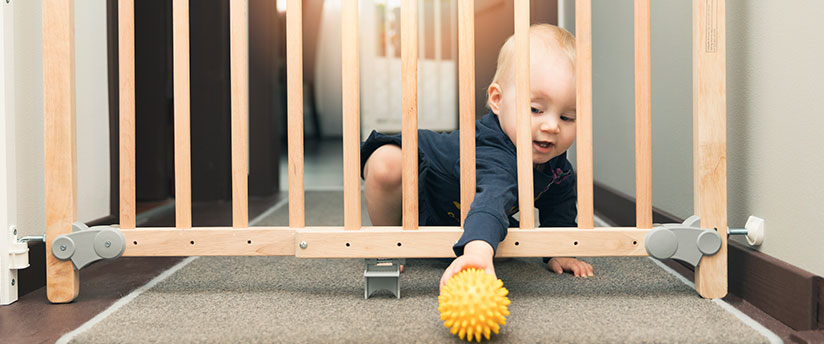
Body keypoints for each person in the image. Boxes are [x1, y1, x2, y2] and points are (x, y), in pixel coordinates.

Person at [360, 24, 594, 290]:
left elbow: (559, 202)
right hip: (421, 180)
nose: (552, 126)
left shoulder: (556, 168)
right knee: (386, 164)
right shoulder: (494, 153)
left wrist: (559, 248)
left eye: (567, 117)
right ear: (497, 99)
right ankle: (388, 241)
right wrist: (478, 253)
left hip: (452, 208)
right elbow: (492, 198)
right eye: (535, 109)